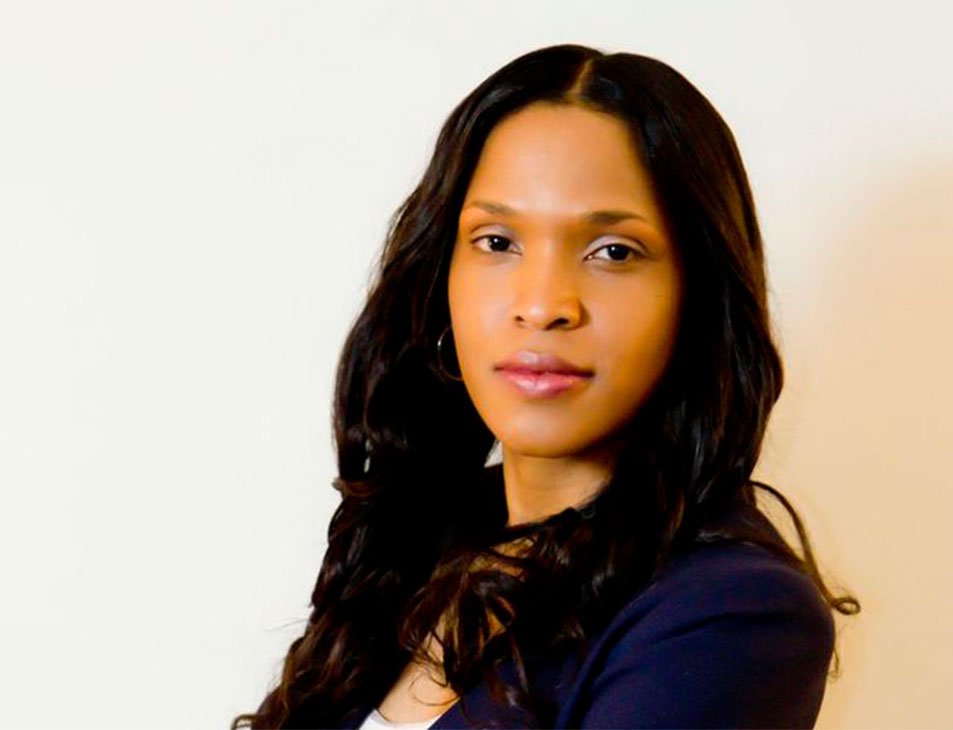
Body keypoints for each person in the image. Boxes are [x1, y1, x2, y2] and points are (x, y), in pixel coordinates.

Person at [232, 43, 860, 730]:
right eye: (497, 242)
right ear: (441, 277)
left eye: (613, 252)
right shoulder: (413, 547)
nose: (542, 305)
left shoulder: (729, 614)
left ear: (697, 296)